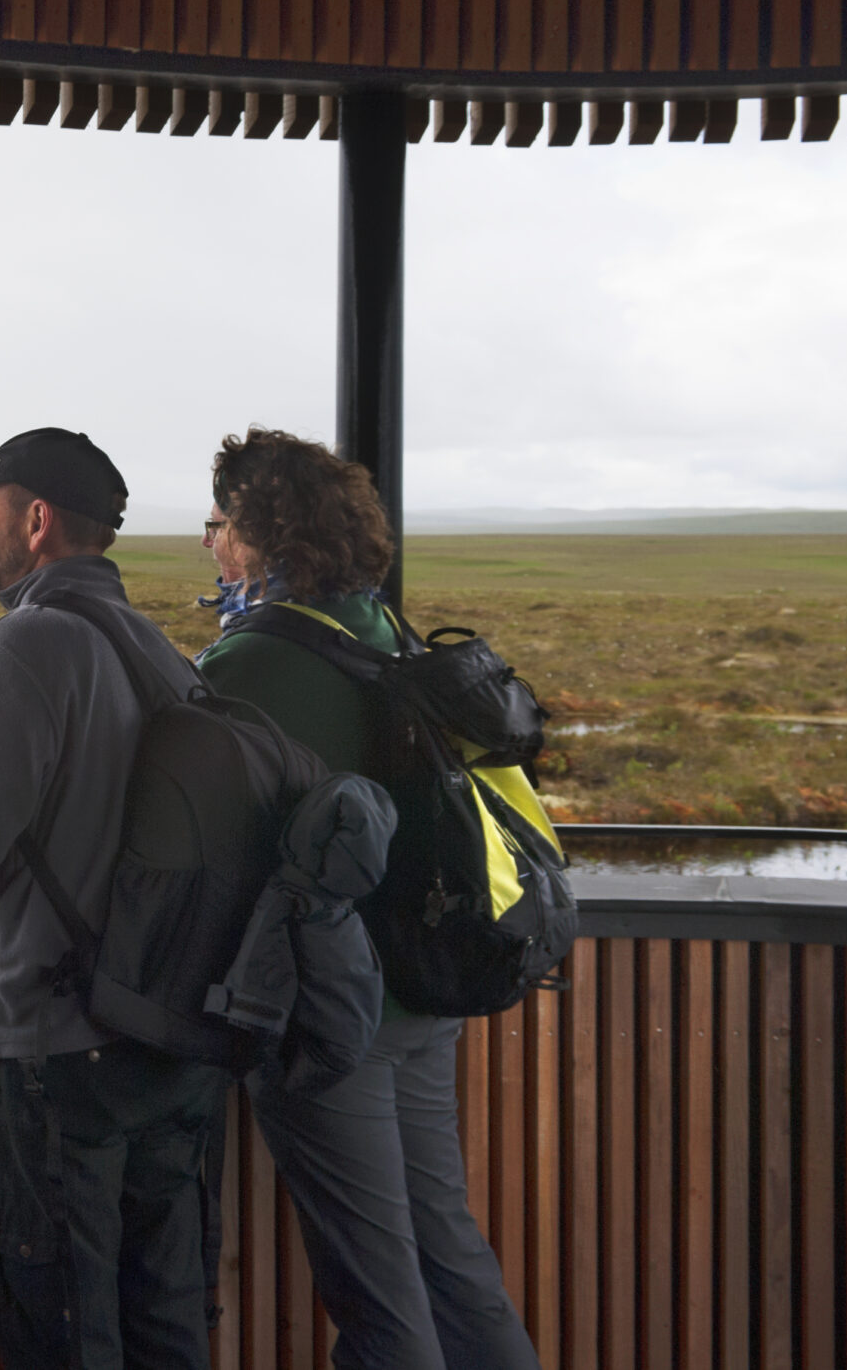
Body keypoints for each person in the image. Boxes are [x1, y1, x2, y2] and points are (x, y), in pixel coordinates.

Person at [0, 427, 220, 1370]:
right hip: (159, 1036)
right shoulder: (160, 650)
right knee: (165, 1331)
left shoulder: (29, 646)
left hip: (49, 1054)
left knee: (55, 1331)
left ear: (37, 519)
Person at [194, 428, 541, 1370]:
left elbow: (200, 844)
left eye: (219, 524)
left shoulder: (250, 663)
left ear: (262, 536)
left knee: (380, 1299)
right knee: (450, 1260)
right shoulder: (387, 633)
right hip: (424, 990)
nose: (211, 544)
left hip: (328, 1013)